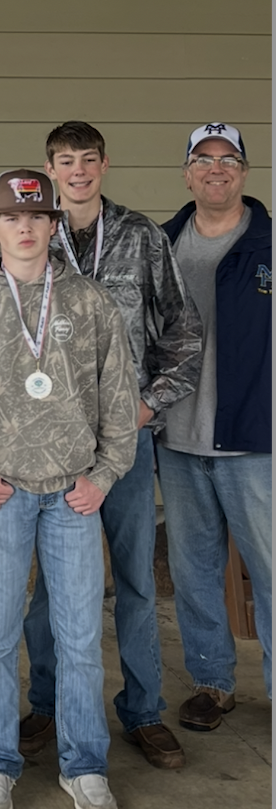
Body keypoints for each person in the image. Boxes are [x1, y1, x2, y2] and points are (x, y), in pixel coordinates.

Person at [0, 169, 138, 809]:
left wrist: (105, 475)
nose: (25, 228)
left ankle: (85, 766)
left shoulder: (90, 302)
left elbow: (117, 399)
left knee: (79, 637)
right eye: (11, 219)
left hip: (73, 495)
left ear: (54, 225)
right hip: (3, 492)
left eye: (37, 217)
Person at [19, 121, 202, 770]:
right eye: (64, 161)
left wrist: (148, 404)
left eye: (88, 160)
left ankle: (144, 711)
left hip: (126, 445)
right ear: (49, 166)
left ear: (104, 165)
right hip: (51, 445)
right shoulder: (31, 234)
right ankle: (44, 704)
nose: (77, 171)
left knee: (132, 580)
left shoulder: (143, 237)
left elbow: (183, 332)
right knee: (48, 589)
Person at [158, 123, 272, 727]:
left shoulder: (270, 246)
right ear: (187, 173)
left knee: (272, 568)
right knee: (194, 567)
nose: (216, 169)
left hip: (256, 440)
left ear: (245, 172)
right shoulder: (163, 243)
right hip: (178, 439)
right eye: (203, 159)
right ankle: (211, 681)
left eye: (229, 159)